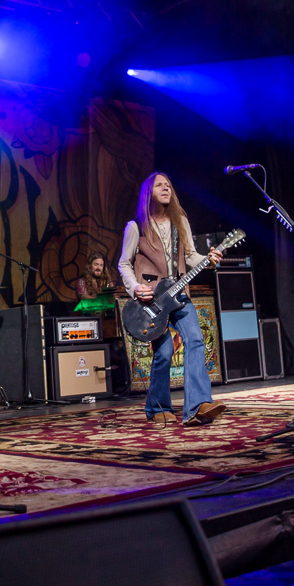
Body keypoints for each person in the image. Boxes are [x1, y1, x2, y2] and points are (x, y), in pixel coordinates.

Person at [118, 172, 226, 427]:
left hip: (179, 294)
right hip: (151, 300)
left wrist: (209, 260)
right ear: (149, 192)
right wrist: (135, 288)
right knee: (165, 352)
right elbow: (124, 263)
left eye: (168, 184)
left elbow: (191, 257)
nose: (165, 188)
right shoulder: (136, 226)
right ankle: (157, 406)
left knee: (196, 340)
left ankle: (199, 405)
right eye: (159, 185)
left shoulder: (180, 222)